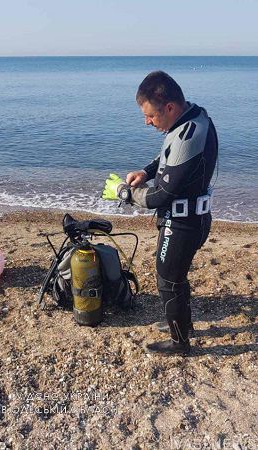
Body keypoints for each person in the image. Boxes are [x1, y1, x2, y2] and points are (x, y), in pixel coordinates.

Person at [102, 71, 218, 355]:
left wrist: (123, 192)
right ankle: (183, 323)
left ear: (169, 107)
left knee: (167, 280)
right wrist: (146, 171)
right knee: (176, 276)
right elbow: (167, 155)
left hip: (184, 224)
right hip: (189, 218)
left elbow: (159, 196)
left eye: (151, 116)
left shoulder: (191, 134)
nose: (147, 122)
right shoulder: (188, 119)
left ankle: (180, 343)